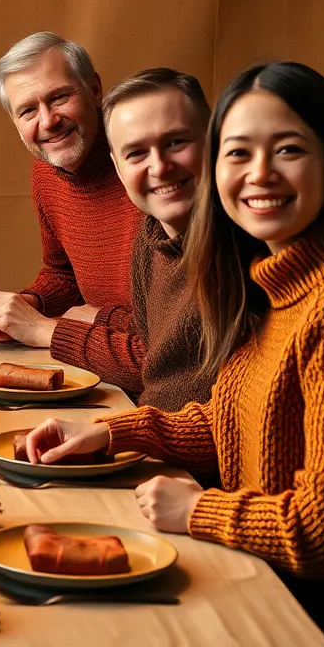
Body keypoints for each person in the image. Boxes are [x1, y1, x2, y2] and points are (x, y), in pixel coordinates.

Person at [26, 62, 324, 626]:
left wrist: (198, 509)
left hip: (288, 604)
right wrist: (114, 429)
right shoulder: (282, 278)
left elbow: (318, 531)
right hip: (240, 546)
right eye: (241, 153)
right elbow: (235, 414)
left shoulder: (279, 283)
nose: (259, 175)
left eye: (288, 150)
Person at [0, 31, 140, 357]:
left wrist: (51, 327)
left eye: (59, 97)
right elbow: (63, 273)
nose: (48, 122)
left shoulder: (149, 170)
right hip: (99, 361)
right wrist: (27, 306)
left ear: (94, 89)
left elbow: (174, 327)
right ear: (14, 121)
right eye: (28, 111)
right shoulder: (47, 172)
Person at [62, 67, 214, 409]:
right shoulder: (151, 237)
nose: (159, 167)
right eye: (137, 153)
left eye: (175, 142)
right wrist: (99, 318)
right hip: (151, 431)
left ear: (215, 141)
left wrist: (55, 332)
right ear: (118, 169)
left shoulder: (245, 252)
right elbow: (159, 343)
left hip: (190, 457)